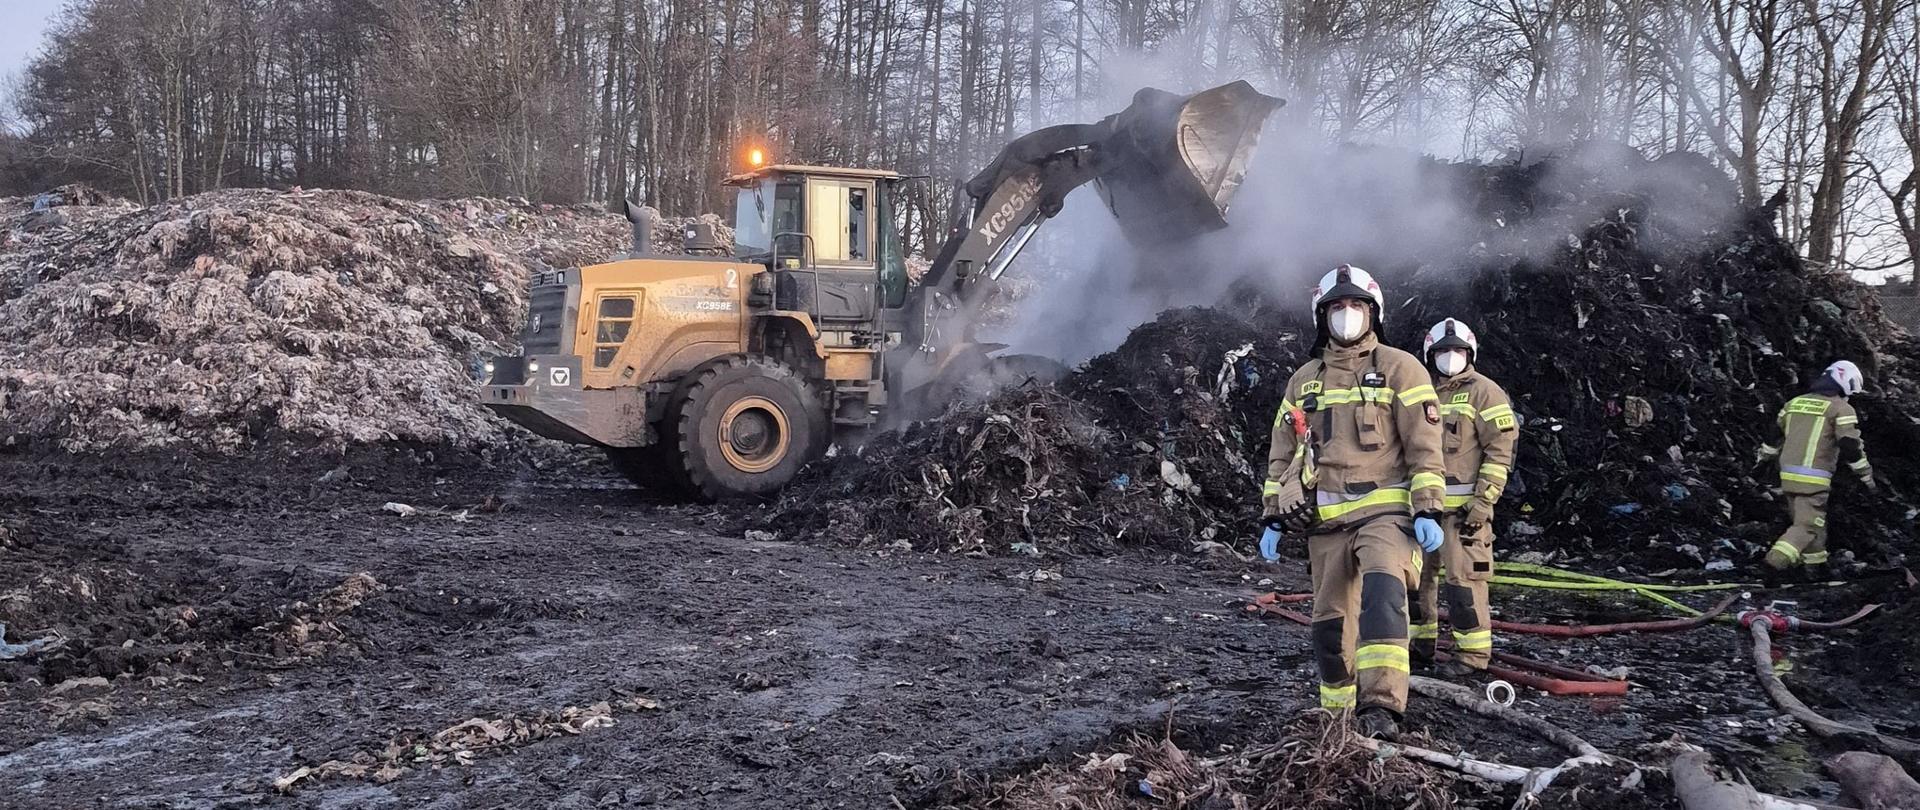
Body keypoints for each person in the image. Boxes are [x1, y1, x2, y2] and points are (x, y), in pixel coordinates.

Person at [1258, 264, 1447, 740]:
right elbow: (1283, 452)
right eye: (1337, 308)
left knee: (1383, 600)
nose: (1347, 316)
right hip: (1323, 522)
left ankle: (1382, 708)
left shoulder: (1401, 368)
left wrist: (1426, 506)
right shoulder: (1304, 380)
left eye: (1356, 307)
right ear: (1322, 317)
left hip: (1385, 512)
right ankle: (1337, 715)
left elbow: (1425, 446)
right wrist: (1274, 517)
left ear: (1373, 314)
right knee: (1329, 625)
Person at [1406, 319, 1517, 677]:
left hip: (1464, 515)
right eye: (1442, 351)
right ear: (1430, 354)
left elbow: (1500, 452)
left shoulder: (1486, 393)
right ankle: (1418, 647)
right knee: (1414, 586)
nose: (1449, 357)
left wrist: (1484, 502)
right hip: (1422, 512)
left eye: (1456, 351)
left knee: (1463, 587)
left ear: (1470, 354)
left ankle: (1471, 658)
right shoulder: (1419, 392)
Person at [1757, 360, 1875, 578]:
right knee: (1808, 527)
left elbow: (1773, 438)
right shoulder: (1841, 408)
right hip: (1814, 480)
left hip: (1788, 476)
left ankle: (1815, 568)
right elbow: (1850, 446)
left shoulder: (1793, 404)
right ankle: (1774, 563)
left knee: (1812, 523)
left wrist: (1761, 463)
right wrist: (1865, 476)